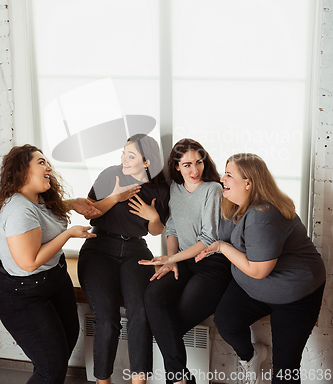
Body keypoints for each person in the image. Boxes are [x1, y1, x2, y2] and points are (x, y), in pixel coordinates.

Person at [196, 153, 326, 384]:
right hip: (253, 286)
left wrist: (222, 248)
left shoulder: (262, 215)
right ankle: (252, 355)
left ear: (248, 183)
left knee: (285, 370)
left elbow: (258, 270)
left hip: (294, 292)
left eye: (229, 174)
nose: (221, 178)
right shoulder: (234, 205)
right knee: (226, 321)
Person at [0, 144, 99, 384]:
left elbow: (42, 215)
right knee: (51, 367)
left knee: (63, 346)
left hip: (55, 280)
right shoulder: (18, 211)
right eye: (41, 162)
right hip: (25, 294)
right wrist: (68, 234)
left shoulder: (36, 199)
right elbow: (29, 262)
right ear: (23, 170)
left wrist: (72, 202)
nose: (49, 167)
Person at [139, 139, 234, 384]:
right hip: (183, 261)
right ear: (176, 166)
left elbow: (208, 238)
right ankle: (181, 379)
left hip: (211, 265)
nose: (195, 170)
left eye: (199, 163)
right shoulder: (175, 190)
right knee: (152, 297)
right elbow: (172, 227)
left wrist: (172, 258)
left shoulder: (211, 189)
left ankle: (178, 379)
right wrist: (171, 262)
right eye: (187, 164)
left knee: (170, 325)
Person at [78, 133, 170, 384]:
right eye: (123, 153)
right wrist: (116, 197)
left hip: (135, 251)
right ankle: (102, 381)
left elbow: (157, 230)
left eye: (131, 155)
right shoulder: (111, 175)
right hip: (99, 248)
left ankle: (139, 380)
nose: (123, 159)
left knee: (140, 311)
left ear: (147, 162)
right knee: (107, 318)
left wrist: (153, 218)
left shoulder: (161, 188)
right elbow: (90, 212)